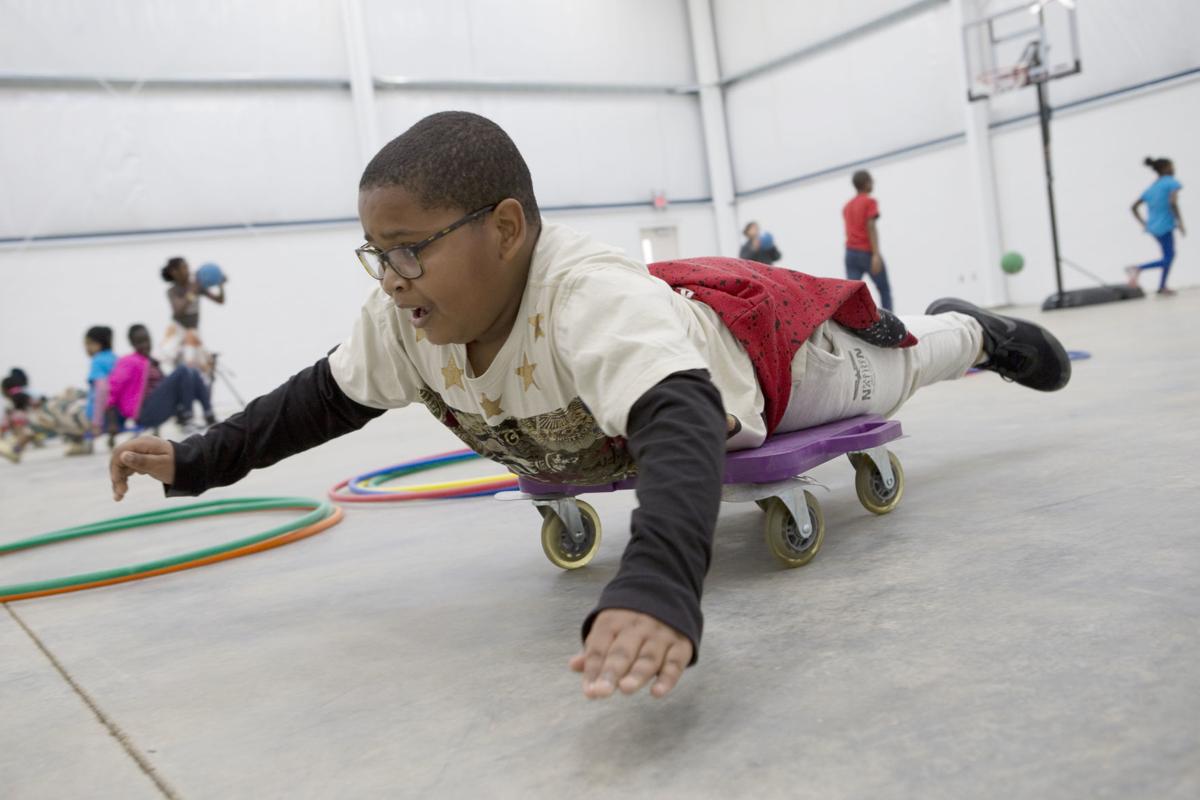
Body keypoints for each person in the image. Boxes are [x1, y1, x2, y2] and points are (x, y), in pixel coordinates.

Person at [109, 111, 1071, 701]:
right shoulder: (406, 318)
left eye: (411, 248)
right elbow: (317, 401)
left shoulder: (586, 293)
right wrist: (196, 461)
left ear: (509, 227)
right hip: (668, 352)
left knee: (898, 365)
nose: (392, 277)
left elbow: (680, 419)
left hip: (770, 357)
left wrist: (657, 585)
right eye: (377, 251)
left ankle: (979, 333)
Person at [107, 324, 216, 439]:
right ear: (132, 344)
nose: (145, 345)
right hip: (144, 413)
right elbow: (112, 392)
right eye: (139, 342)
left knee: (192, 372)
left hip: (160, 407)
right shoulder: (128, 361)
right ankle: (187, 420)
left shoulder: (152, 362)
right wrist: (112, 422)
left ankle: (209, 416)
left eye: (147, 340)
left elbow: (168, 388)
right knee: (183, 370)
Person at [1127, 156, 1185, 296]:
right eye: (1172, 166)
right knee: (1169, 257)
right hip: (1165, 225)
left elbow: (1134, 207)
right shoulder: (1171, 183)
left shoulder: (1152, 187)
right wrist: (1180, 221)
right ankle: (1138, 268)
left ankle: (1162, 286)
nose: (1174, 169)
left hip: (1153, 226)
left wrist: (1143, 222)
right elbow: (1172, 203)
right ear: (1165, 168)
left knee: (1168, 255)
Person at [161, 256, 225, 370]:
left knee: (202, 367)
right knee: (177, 363)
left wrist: (221, 285)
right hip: (178, 332)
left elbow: (220, 300)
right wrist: (192, 291)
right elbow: (178, 311)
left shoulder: (196, 286)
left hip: (193, 333)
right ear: (174, 272)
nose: (188, 271)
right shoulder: (172, 291)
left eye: (187, 267)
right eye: (184, 268)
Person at [843, 170, 893, 312]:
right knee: (884, 290)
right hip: (867, 253)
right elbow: (870, 226)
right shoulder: (870, 201)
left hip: (850, 254)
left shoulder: (847, 206)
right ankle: (890, 324)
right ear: (866, 183)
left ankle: (852, 324)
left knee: (852, 295)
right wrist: (876, 254)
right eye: (871, 180)